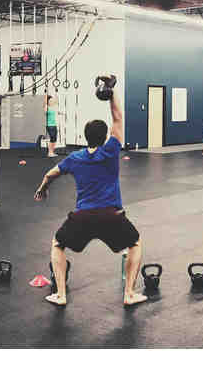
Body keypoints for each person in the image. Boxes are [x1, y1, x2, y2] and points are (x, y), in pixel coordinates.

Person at [33, 76, 146, 307]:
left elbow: (50, 174)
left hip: (83, 217)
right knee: (135, 243)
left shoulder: (75, 158)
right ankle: (129, 294)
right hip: (112, 216)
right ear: (105, 137)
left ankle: (61, 295)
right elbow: (118, 117)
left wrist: (43, 188)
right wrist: (111, 91)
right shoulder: (111, 150)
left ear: (86, 137)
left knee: (57, 244)